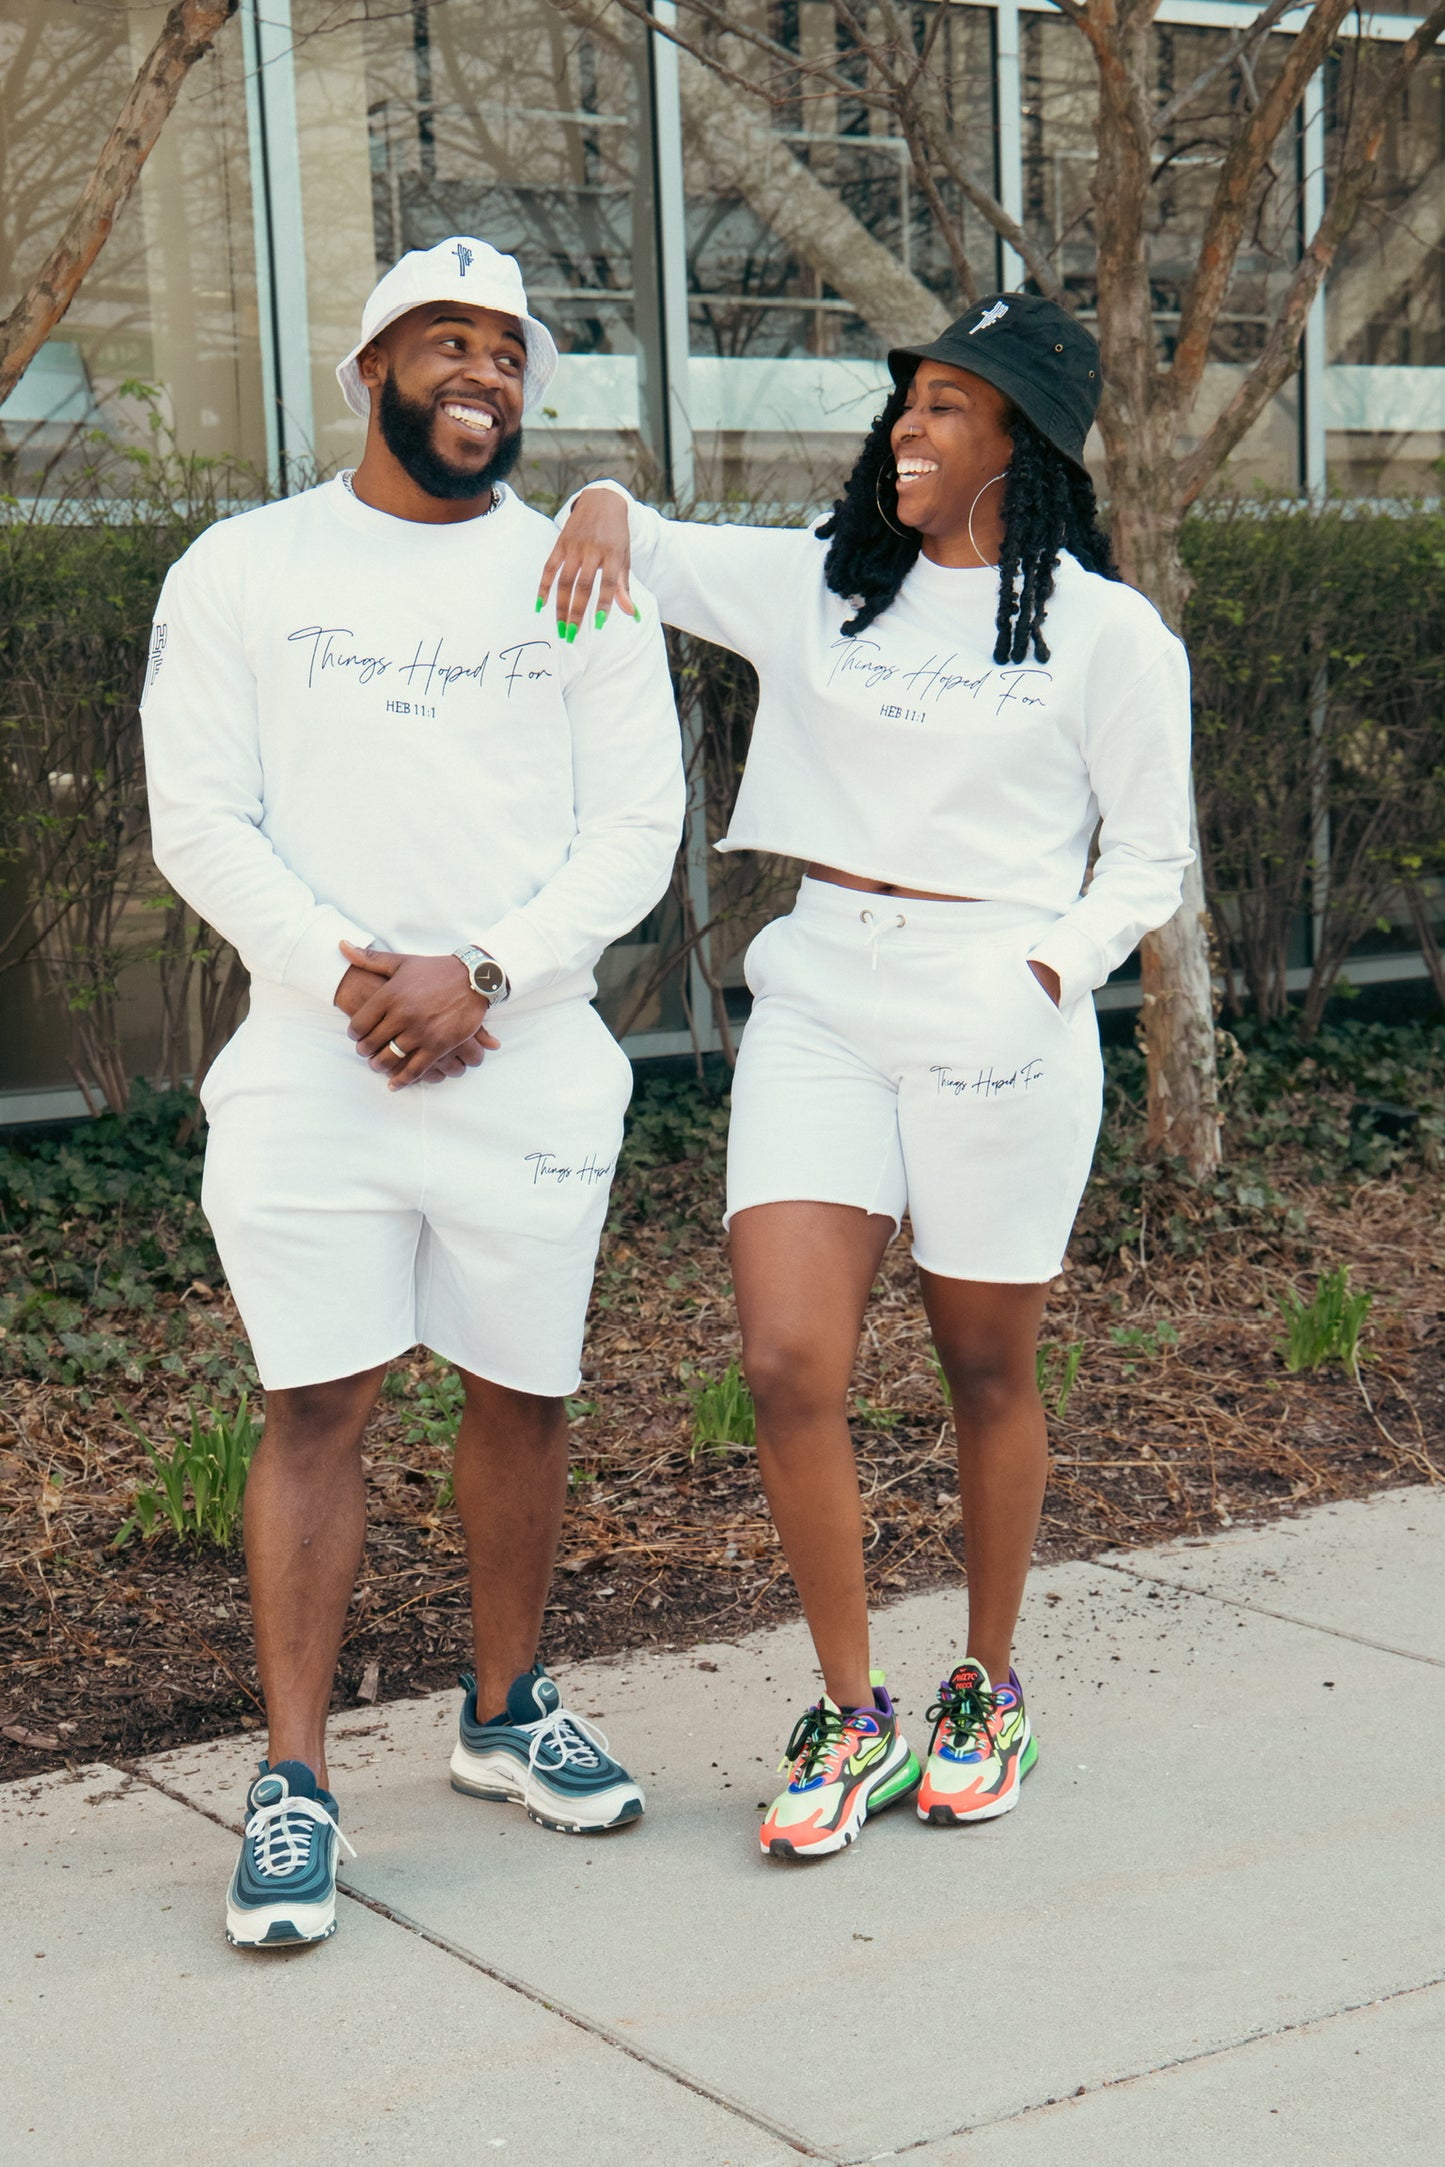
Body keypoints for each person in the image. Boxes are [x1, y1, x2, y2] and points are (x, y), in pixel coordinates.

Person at [540, 292, 1193, 1860]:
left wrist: (1050, 970)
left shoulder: (1106, 633)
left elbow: (1148, 856)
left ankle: (985, 1685)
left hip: (997, 1002)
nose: (909, 427)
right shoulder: (826, 583)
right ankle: (851, 1710)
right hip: (824, 988)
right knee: (784, 1362)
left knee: (983, 1368)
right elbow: (647, 534)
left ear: (1020, 445)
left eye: (950, 408)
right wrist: (593, 502)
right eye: (906, 402)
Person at [141, 238, 684, 1946]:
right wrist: (359, 978)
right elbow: (199, 818)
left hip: (525, 1061)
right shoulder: (243, 568)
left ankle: (503, 1711)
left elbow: (635, 831)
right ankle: (295, 1781)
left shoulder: (579, 579)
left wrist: (489, 975)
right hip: (315, 1064)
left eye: (511, 355)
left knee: (524, 1394)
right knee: (319, 1406)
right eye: (448, 344)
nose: (485, 377)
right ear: (372, 366)